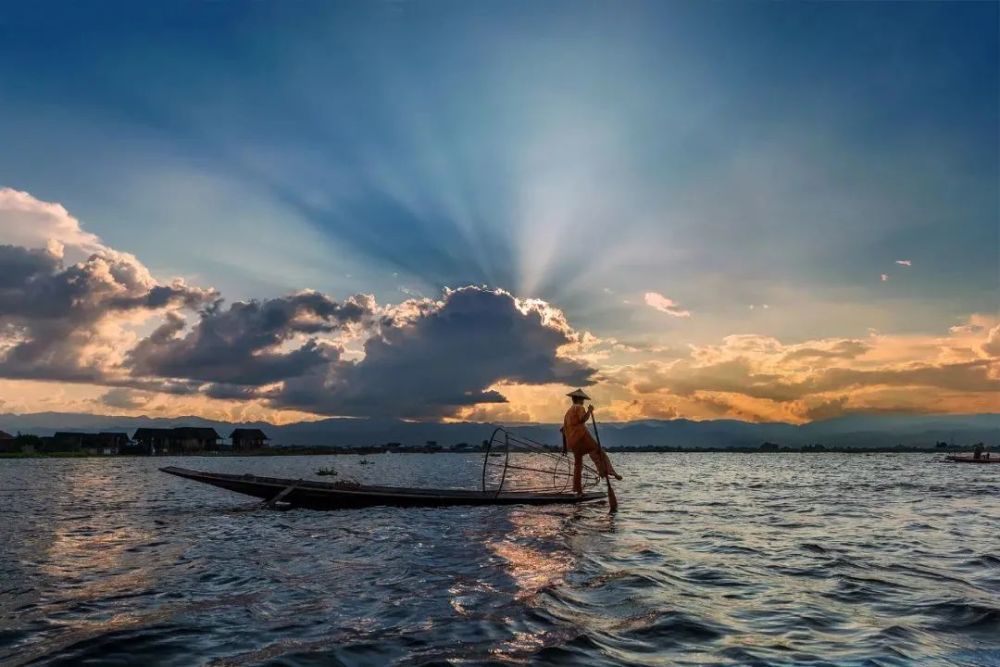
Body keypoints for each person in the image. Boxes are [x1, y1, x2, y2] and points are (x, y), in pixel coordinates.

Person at [561, 388, 622, 494]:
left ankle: (577, 490)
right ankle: (609, 472)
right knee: (598, 451)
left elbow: (563, 430)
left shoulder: (568, 413)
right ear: (580, 399)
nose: (583, 401)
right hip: (582, 437)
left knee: (578, 464)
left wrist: (565, 447)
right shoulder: (579, 407)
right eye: (582, 400)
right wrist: (589, 411)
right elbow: (582, 419)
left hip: (573, 442)